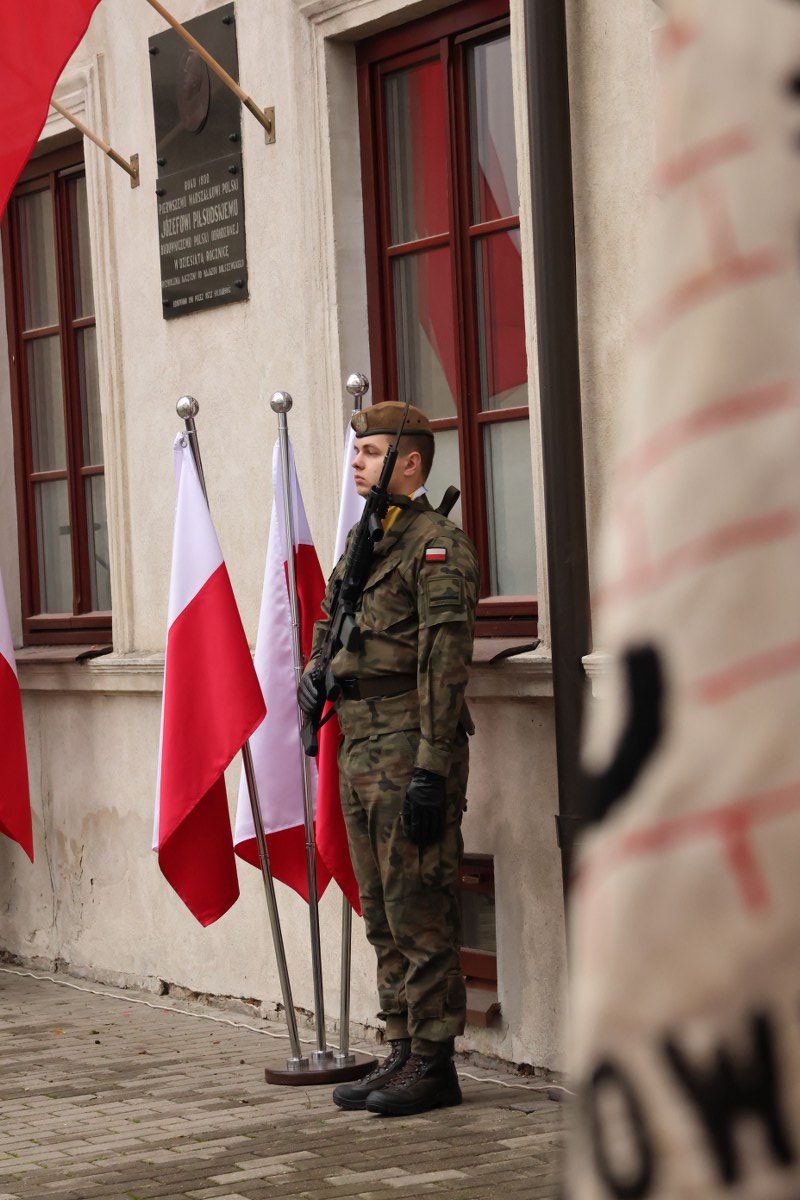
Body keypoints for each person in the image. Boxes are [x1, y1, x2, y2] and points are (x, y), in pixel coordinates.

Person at [298, 401, 479, 1116]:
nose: (356, 461)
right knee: (379, 906)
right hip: (360, 738)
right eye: (355, 450)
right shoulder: (368, 539)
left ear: (411, 461)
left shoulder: (436, 545)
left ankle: (435, 1065)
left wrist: (433, 767)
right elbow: (330, 613)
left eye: (369, 451)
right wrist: (316, 671)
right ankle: (401, 1046)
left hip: (410, 741)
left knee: (420, 904)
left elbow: (444, 660)